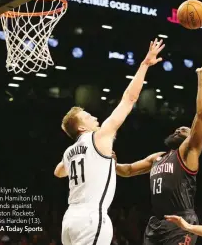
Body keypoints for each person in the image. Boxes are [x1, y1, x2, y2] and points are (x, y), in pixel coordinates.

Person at [53, 38, 165, 245]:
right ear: (81, 127)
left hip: (69, 221)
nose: (94, 118)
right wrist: (144, 65)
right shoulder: (100, 137)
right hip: (91, 218)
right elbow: (129, 99)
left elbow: (58, 172)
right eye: (88, 117)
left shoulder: (68, 152)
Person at [116, 54, 202, 245]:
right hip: (156, 223)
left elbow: (201, 114)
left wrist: (201, 75)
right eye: (178, 128)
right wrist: (111, 162)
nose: (179, 129)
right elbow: (127, 170)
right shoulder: (157, 158)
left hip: (181, 223)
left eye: (185, 130)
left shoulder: (187, 152)